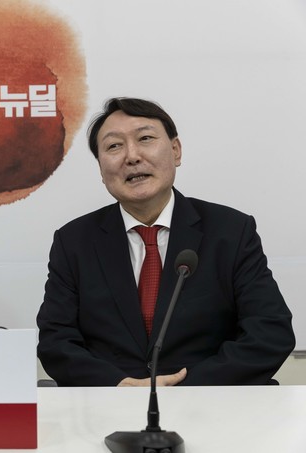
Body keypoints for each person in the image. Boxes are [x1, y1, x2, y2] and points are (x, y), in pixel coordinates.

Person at [36, 97, 295, 386]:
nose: (132, 156)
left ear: (175, 150)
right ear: (100, 169)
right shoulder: (74, 241)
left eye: (145, 139)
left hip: (210, 400)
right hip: (110, 401)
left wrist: (183, 388)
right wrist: (117, 384)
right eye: (114, 146)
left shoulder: (231, 231)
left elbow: (270, 333)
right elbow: (56, 342)